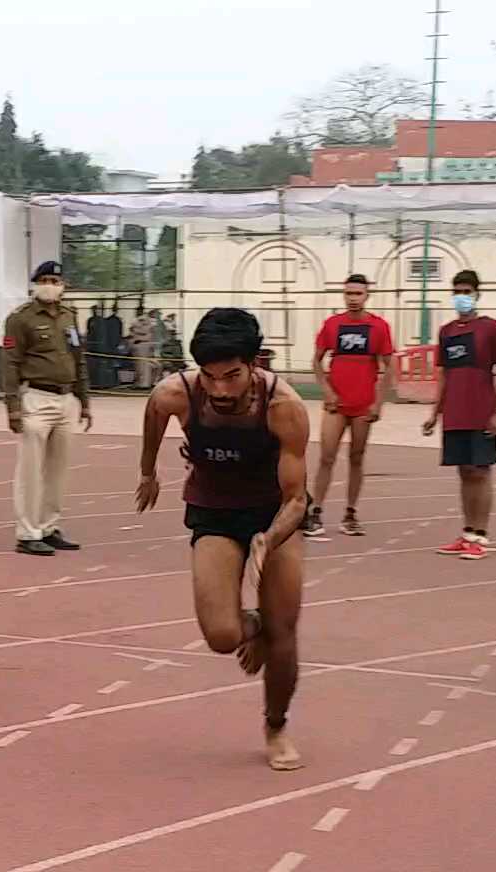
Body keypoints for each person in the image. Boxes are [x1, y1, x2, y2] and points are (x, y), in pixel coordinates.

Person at [137, 308, 311, 771]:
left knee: (284, 634)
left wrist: (268, 540)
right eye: (210, 377)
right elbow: (154, 411)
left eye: (232, 376)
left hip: (275, 517)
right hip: (214, 513)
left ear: (254, 364)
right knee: (220, 635)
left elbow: (299, 500)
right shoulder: (178, 392)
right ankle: (250, 622)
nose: (220, 389)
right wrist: (147, 469)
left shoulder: (284, 407)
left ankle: (276, 725)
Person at [2, 260, 92, 557]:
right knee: (30, 469)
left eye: (55, 280)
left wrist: (84, 401)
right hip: (36, 398)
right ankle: (27, 533)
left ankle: (49, 526)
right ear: (34, 284)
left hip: (66, 399)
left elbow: (78, 359)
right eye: (44, 280)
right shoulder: (21, 318)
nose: (50, 285)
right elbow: (10, 363)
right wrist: (13, 407)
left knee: (58, 470)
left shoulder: (69, 315)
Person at [423, 269, 496, 560]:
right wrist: (435, 413)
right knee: (463, 472)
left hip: (482, 411)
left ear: (477, 294)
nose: (462, 297)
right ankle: (468, 532)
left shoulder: (492, 328)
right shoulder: (447, 332)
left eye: (467, 292)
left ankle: (481, 536)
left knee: (480, 471)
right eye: (457, 292)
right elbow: (444, 375)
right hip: (455, 413)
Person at [305, 274, 395, 539]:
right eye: (349, 294)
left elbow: (389, 367)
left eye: (358, 294)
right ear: (343, 295)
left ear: (367, 296)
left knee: (357, 457)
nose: (353, 298)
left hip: (363, 404)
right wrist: (327, 390)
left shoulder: (379, 327)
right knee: (326, 456)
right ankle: (316, 510)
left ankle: (351, 513)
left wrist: (379, 402)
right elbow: (316, 361)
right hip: (336, 404)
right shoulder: (332, 324)